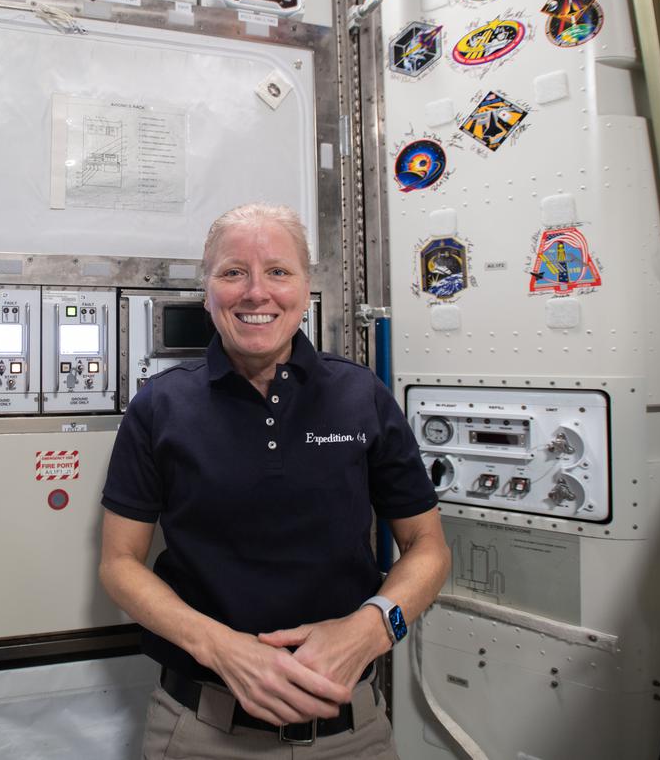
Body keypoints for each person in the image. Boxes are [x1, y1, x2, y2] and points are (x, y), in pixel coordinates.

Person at [99, 203, 450, 758]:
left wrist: (371, 629)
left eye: (278, 272)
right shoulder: (160, 407)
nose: (256, 292)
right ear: (207, 288)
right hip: (200, 730)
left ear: (306, 287)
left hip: (352, 733)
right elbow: (119, 564)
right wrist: (221, 649)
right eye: (233, 272)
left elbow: (427, 547)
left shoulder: (361, 397)